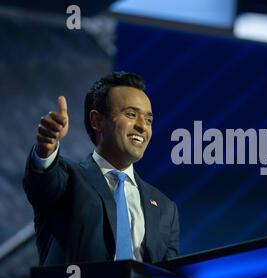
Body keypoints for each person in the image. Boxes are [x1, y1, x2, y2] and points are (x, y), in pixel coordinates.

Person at [23, 71, 179, 266]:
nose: (142, 126)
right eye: (131, 114)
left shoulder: (166, 209)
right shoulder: (67, 178)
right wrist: (46, 149)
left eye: (148, 120)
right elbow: (42, 182)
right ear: (96, 120)